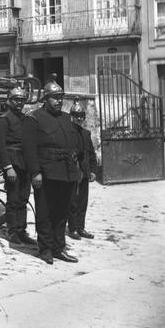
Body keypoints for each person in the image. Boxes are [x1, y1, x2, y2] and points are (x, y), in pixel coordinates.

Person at [22, 74, 82, 265]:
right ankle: (46, 249)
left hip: (66, 173)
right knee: (45, 212)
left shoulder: (66, 118)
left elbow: (73, 144)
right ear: (45, 99)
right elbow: (29, 149)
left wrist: (77, 170)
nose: (59, 101)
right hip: (46, 174)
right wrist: (35, 173)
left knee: (62, 213)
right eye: (55, 98)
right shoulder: (34, 118)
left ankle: (59, 247)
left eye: (61, 98)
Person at [0, 83, 36, 246]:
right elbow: (1, 146)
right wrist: (8, 167)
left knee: (23, 199)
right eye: (16, 99)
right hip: (13, 164)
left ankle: (21, 230)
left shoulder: (25, 119)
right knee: (13, 199)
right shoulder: (3, 120)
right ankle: (12, 231)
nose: (19, 103)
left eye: (22, 100)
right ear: (9, 101)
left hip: (25, 163)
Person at [68, 99, 98, 240]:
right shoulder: (68, 133)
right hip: (73, 172)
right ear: (72, 116)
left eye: (81, 116)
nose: (79, 119)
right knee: (73, 201)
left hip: (84, 171)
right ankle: (72, 228)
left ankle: (81, 227)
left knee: (82, 202)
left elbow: (91, 153)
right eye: (76, 116)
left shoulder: (86, 133)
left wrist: (93, 170)